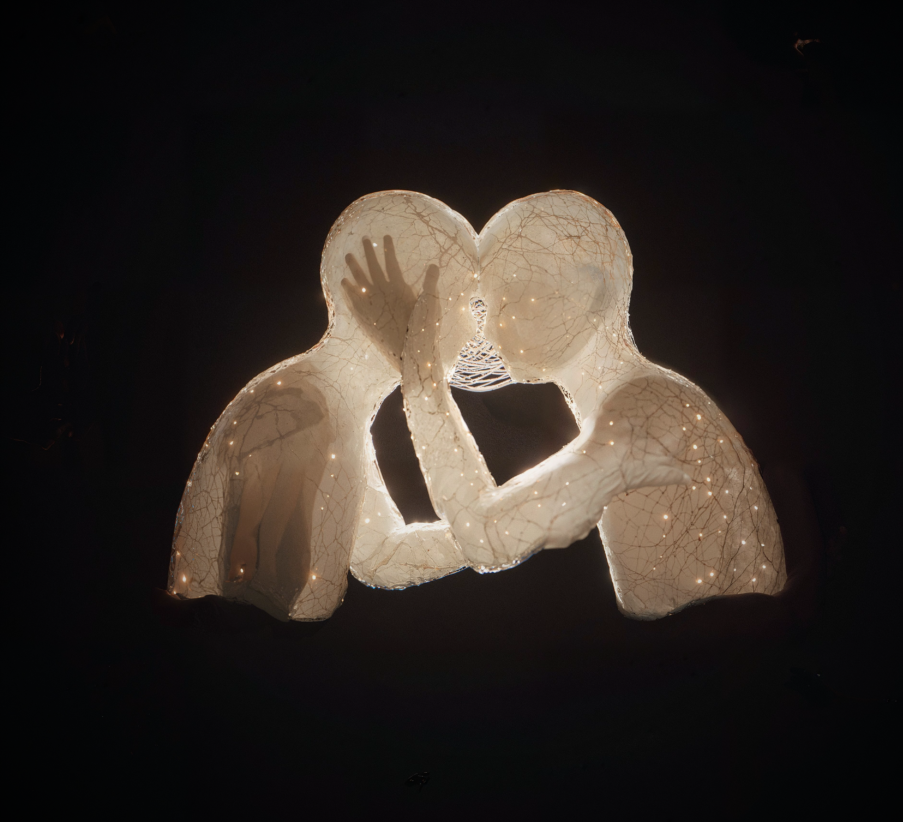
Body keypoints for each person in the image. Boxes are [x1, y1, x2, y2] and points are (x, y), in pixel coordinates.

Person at [400, 190, 787, 618]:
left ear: (588, 294)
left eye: (512, 297)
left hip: (722, 652)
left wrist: (420, 374)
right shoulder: (639, 401)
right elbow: (473, 535)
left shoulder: (650, 409)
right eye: (488, 305)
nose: (488, 327)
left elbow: (487, 538)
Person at [169, 191, 481, 621]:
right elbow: (255, 607)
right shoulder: (299, 410)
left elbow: (380, 554)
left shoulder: (336, 407)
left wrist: (486, 535)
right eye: (461, 304)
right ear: (398, 298)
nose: (472, 330)